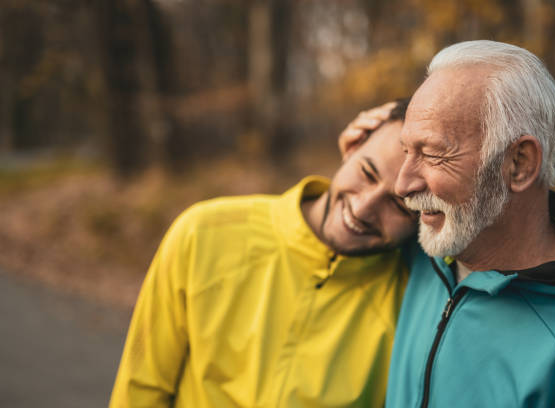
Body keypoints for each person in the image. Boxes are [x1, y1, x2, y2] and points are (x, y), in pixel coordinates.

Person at [109, 99, 418, 407]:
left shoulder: (416, 297)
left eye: (399, 204)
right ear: (351, 146)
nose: (364, 208)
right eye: (367, 172)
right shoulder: (203, 233)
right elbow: (140, 389)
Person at [380, 40, 555, 407]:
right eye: (407, 150)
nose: (403, 185)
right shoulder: (426, 248)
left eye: (434, 154)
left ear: (519, 164)